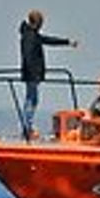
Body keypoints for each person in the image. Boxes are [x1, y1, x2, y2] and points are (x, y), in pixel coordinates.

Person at [17, 10, 77, 139]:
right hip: (32, 74)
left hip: (32, 74)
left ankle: (27, 127)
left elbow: (48, 40)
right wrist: (32, 72)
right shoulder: (30, 36)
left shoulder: (32, 34)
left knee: (32, 99)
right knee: (31, 100)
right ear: (37, 23)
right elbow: (28, 54)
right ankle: (27, 128)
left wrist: (67, 42)